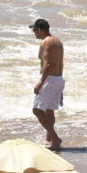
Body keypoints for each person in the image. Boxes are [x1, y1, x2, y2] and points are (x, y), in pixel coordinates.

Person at [29, 18, 64, 150]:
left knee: (37, 110)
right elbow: (59, 64)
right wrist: (60, 87)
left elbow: (48, 64)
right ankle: (49, 140)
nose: (34, 33)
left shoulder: (46, 42)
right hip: (58, 79)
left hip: (49, 79)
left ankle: (55, 138)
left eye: (34, 30)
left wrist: (40, 82)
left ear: (40, 29)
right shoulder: (57, 41)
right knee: (49, 110)